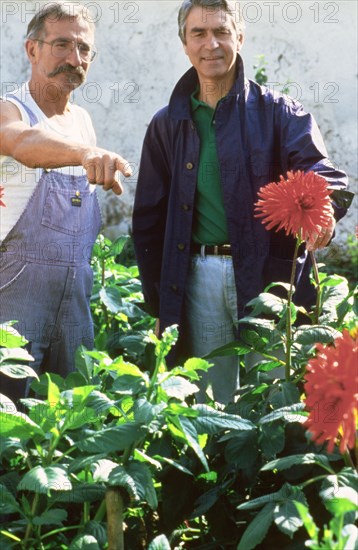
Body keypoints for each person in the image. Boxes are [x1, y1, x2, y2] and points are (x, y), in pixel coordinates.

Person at [132, 0, 352, 405]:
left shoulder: (279, 112)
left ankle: (270, 471)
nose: (211, 44)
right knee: (213, 401)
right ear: (184, 43)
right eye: (198, 33)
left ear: (240, 37)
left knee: (275, 394)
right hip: (199, 276)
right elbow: (149, 220)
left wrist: (324, 208)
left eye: (221, 32)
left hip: (270, 271)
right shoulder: (167, 124)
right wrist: (161, 302)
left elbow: (323, 171)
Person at [0, 1, 131, 400]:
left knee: (71, 411)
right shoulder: (10, 110)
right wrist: (84, 155)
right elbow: (22, 143)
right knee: (8, 416)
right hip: (14, 299)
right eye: (61, 45)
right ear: (32, 49)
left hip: (75, 301)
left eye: (83, 49)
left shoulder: (83, 121)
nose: (74, 59)